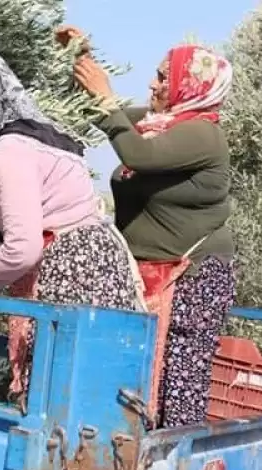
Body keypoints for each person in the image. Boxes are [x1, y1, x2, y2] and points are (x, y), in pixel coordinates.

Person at [0, 45, 144, 413]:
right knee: (57, 395)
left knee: (63, 396)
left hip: (76, 273)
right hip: (63, 265)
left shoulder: (10, 151)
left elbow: (22, 248)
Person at [61, 26, 236, 428]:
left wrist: (105, 97)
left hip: (192, 277)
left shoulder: (202, 136)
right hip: (145, 275)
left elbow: (135, 152)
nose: (152, 84)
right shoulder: (161, 123)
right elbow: (100, 112)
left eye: (162, 77)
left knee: (178, 383)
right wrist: (79, 56)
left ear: (187, 86)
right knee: (131, 379)